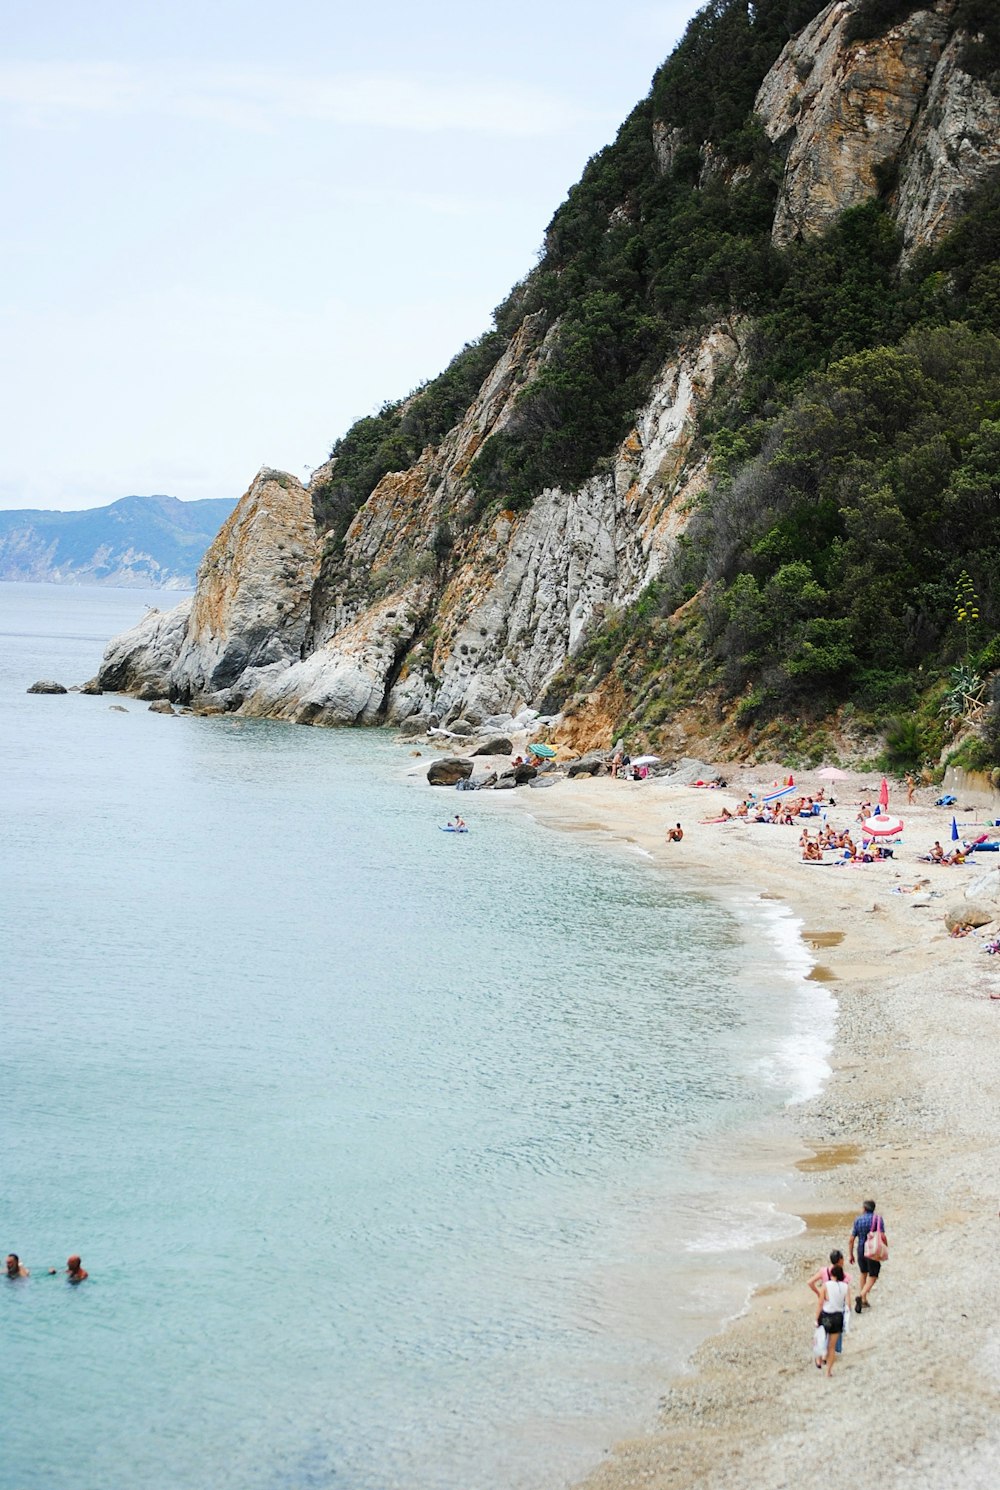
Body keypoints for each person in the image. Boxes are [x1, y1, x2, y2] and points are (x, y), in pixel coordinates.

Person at [808, 1249, 848, 1359]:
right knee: (835, 1332)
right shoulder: (842, 1275)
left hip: (825, 1308)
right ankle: (832, 1352)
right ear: (840, 1260)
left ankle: (823, 1353)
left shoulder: (824, 1271)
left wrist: (819, 1293)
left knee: (825, 1330)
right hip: (837, 1308)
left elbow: (810, 1282)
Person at [814, 1262, 851, 1375]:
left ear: (831, 1274)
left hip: (827, 1316)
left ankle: (819, 1360)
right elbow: (848, 1305)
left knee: (821, 1338)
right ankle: (828, 1371)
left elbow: (820, 1303)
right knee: (832, 1346)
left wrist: (816, 1318)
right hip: (838, 1318)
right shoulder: (846, 1287)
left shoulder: (826, 1285)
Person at [849, 1200, 886, 1310]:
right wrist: (885, 1248)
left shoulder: (858, 1220)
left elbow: (851, 1239)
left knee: (863, 1273)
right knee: (873, 1275)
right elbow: (882, 1236)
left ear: (864, 1209)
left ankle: (864, 1299)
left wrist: (851, 1254)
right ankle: (861, 1296)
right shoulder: (878, 1219)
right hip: (873, 1250)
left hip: (860, 1250)